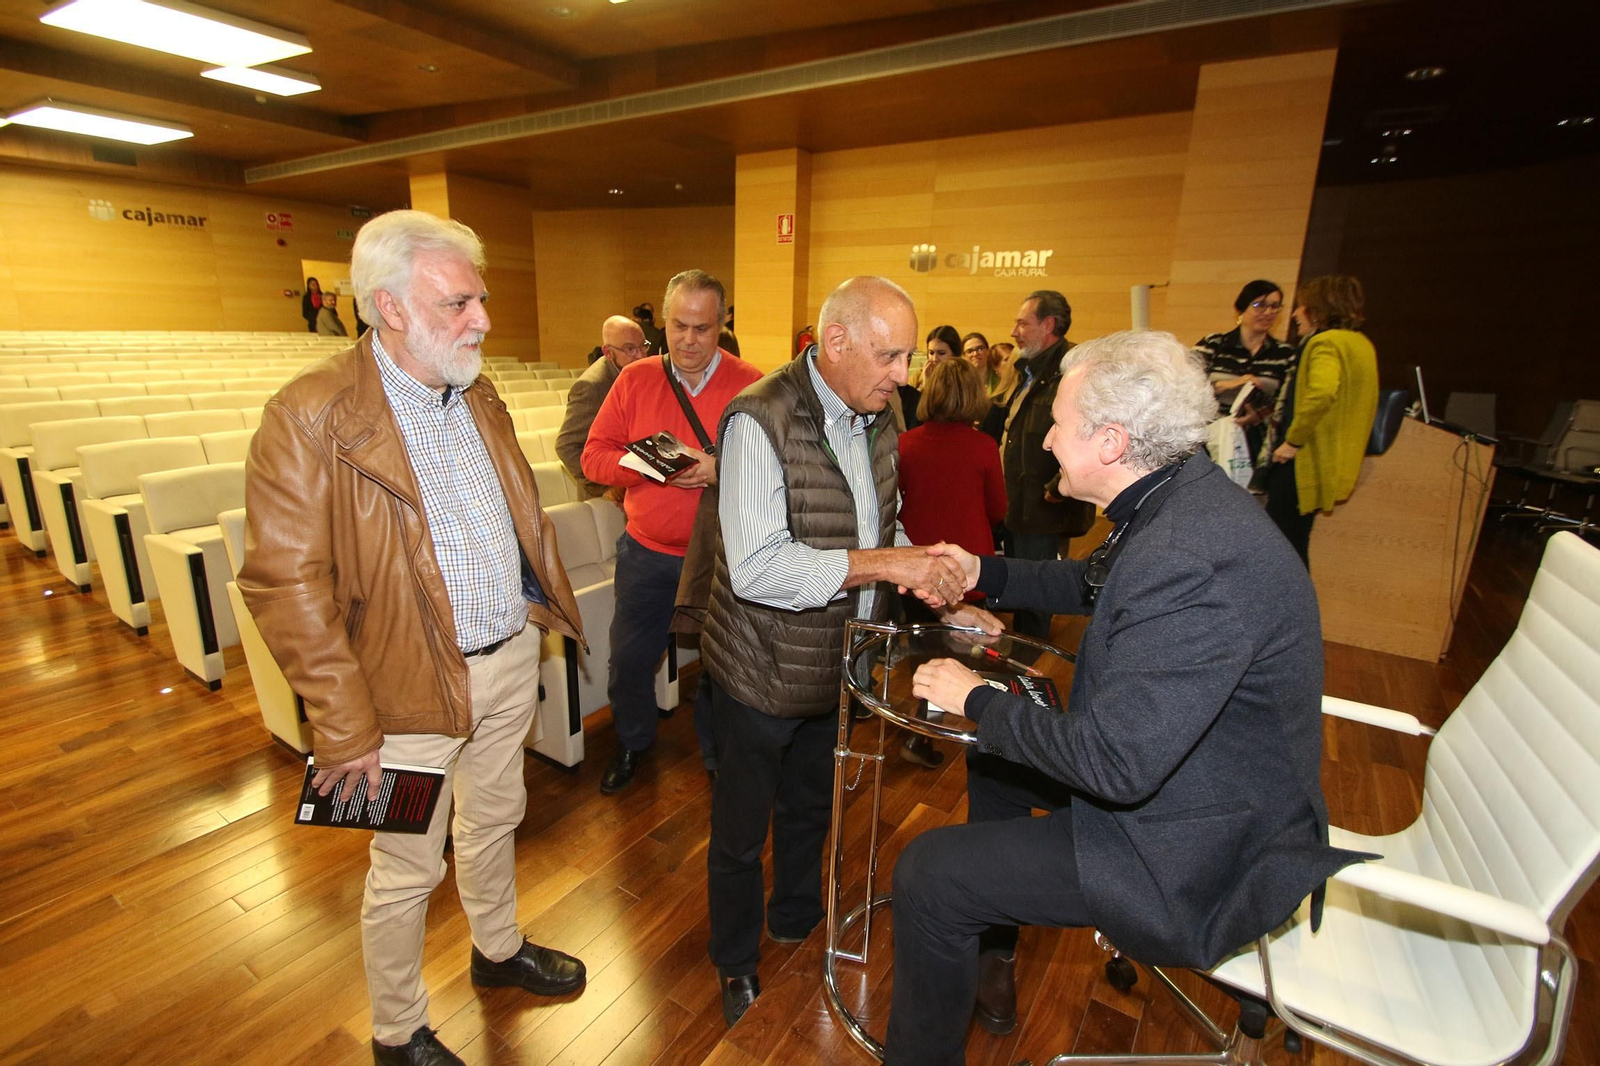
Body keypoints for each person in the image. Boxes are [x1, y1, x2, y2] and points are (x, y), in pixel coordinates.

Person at [884, 330, 1365, 1066]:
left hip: (1197, 848)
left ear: (1110, 443)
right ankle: (992, 959)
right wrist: (982, 569)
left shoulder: (1188, 558)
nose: (1044, 440)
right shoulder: (1182, 497)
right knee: (997, 765)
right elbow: (1093, 583)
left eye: (1058, 424)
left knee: (927, 874)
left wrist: (975, 697)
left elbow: (1118, 766)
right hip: (1202, 782)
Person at [238, 210, 590, 1066]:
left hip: (507, 659)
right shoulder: (308, 416)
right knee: (404, 871)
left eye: (481, 297)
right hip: (400, 695)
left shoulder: (475, 385)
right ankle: (397, 1033)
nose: (483, 320)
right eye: (459, 301)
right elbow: (285, 584)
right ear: (389, 307)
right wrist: (345, 727)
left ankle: (497, 948)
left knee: (496, 817)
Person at [700, 276, 972, 1028]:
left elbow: (883, 526)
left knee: (812, 808)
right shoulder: (758, 418)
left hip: (837, 664)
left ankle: (792, 917)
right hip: (760, 668)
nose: (905, 374)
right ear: (837, 341)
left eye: (909, 356)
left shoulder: (879, 412)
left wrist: (938, 578)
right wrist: (887, 566)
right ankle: (733, 959)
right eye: (891, 354)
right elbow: (757, 569)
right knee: (739, 829)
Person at [582, 271, 763, 794]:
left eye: (702, 328)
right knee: (629, 660)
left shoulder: (751, 382)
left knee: (723, 666)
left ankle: (715, 753)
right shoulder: (635, 379)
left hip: (723, 554)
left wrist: (718, 468)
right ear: (662, 324)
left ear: (722, 323)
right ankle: (634, 742)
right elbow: (592, 457)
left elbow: (777, 466)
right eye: (678, 326)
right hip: (647, 553)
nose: (688, 340)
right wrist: (645, 466)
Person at [896, 357, 1007, 769]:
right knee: (961, 655)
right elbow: (999, 509)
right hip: (967, 567)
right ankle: (934, 729)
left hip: (915, 564)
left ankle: (920, 725)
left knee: (921, 647)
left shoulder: (905, 443)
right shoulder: (983, 446)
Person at [987, 290, 1094, 640]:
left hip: (1042, 504)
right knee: (1019, 579)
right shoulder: (1028, 369)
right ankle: (1022, 649)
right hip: (1020, 501)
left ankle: (1030, 657)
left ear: (1048, 325)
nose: (1014, 332)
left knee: (1035, 586)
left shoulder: (1071, 371)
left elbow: (1084, 432)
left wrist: (1056, 487)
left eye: (1022, 323)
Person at [1266, 275, 1380, 567]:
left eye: (1301, 307)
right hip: (1332, 463)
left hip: (1305, 461)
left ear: (1317, 310)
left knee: (1282, 547)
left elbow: (1321, 392)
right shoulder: (1360, 343)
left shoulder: (1324, 342)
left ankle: (1287, 609)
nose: (1294, 315)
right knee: (1294, 541)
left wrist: (1293, 441)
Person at [1191, 280, 1296, 468]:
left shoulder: (1285, 353)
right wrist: (1224, 386)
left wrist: (1260, 414)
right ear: (1241, 308)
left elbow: (1286, 401)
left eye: (1274, 306)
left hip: (1256, 443)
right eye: (1259, 305)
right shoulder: (1213, 344)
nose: (1268, 312)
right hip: (1208, 438)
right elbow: (1182, 386)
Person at [556, 315, 652, 500]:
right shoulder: (591, 387)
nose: (640, 355)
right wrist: (603, 487)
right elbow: (566, 446)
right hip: (604, 495)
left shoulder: (636, 373)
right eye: (630, 349)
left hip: (630, 486)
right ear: (608, 352)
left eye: (643, 346)